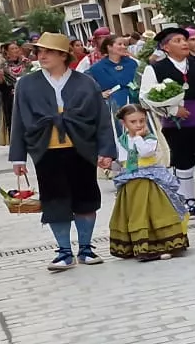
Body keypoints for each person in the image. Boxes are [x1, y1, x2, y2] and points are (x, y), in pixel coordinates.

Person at [7, 33, 115, 271]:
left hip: (81, 149)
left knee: (86, 199)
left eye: (48, 51)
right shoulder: (27, 83)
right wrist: (18, 156)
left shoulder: (85, 82)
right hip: (46, 150)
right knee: (54, 200)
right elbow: (19, 121)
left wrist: (107, 150)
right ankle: (64, 251)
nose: (41, 56)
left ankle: (86, 248)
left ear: (63, 55)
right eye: (39, 51)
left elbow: (101, 118)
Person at [149, 27, 195, 218]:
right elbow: (146, 98)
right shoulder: (155, 69)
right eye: (178, 40)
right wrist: (172, 110)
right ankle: (189, 202)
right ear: (165, 47)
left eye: (184, 40)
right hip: (176, 126)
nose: (184, 43)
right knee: (183, 163)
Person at [110, 105, 192, 261]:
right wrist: (112, 165)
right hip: (131, 180)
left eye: (142, 120)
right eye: (133, 122)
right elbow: (124, 160)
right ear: (124, 123)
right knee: (136, 212)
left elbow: (146, 152)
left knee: (157, 209)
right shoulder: (122, 140)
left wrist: (138, 137)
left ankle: (164, 244)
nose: (138, 125)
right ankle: (141, 247)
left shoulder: (150, 138)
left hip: (150, 177)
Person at [89, 34, 139, 113]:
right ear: (109, 47)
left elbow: (140, 81)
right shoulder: (96, 68)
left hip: (135, 104)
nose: (124, 47)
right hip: (113, 108)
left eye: (124, 44)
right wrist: (98, 95)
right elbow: (85, 87)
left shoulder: (132, 63)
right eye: (120, 44)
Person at [0, 42, 29, 147]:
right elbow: (0, 86)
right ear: (7, 52)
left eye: (17, 48)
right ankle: (16, 142)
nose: (16, 50)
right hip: (10, 95)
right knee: (13, 119)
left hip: (26, 94)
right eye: (12, 49)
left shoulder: (25, 63)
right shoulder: (2, 65)